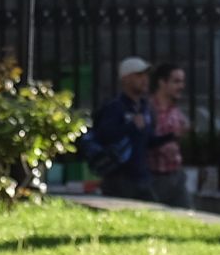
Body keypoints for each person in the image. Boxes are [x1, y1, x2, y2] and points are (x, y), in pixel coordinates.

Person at [81, 58, 158, 202]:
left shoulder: (144, 107)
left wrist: (171, 137)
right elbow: (105, 135)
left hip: (141, 176)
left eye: (146, 76)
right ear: (126, 79)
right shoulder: (115, 107)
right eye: (139, 75)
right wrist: (131, 126)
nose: (145, 80)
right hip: (119, 178)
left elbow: (148, 140)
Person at [146, 61, 195, 208]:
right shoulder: (148, 109)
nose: (181, 86)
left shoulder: (175, 110)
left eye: (182, 81)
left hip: (175, 173)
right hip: (155, 174)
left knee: (188, 215)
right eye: (176, 81)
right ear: (162, 83)